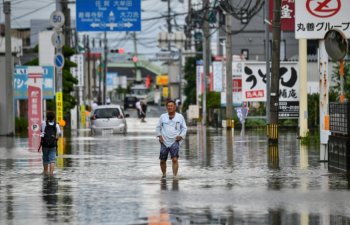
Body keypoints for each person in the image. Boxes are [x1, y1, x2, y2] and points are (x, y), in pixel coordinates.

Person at [156, 99, 187, 180]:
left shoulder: (180, 117)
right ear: (166, 107)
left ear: (175, 107)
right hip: (164, 141)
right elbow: (158, 127)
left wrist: (181, 136)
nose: (170, 107)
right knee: (162, 160)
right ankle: (164, 175)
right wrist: (159, 136)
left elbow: (184, 128)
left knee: (174, 159)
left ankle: (174, 176)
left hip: (175, 141)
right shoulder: (163, 116)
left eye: (171, 106)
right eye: (168, 106)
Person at [40, 111, 61, 176]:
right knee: (52, 160)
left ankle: (45, 173)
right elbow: (59, 134)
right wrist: (56, 138)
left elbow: (41, 131)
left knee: (45, 158)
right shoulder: (56, 125)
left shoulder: (43, 123)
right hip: (53, 145)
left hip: (45, 144)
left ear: (47, 117)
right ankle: (51, 174)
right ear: (54, 118)